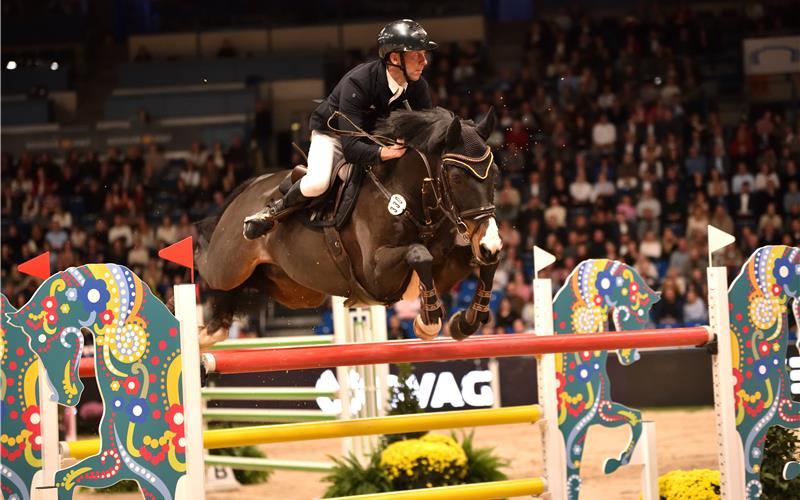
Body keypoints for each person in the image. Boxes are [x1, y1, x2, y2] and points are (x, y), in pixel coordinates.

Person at [243, 19, 437, 239]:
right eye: (417, 55)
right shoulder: (359, 82)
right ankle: (275, 210)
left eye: (424, 55)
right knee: (319, 183)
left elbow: (426, 131)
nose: (424, 61)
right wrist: (385, 153)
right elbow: (351, 149)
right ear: (394, 58)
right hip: (333, 136)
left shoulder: (419, 87)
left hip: (374, 137)